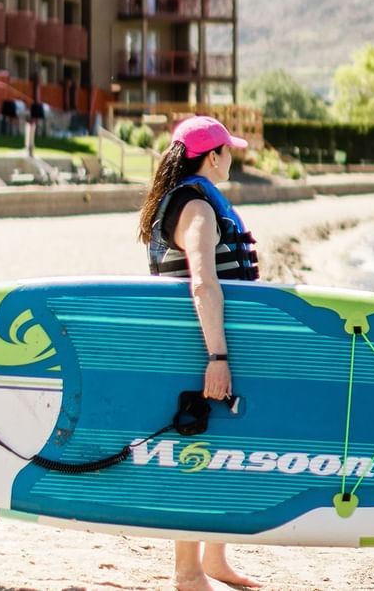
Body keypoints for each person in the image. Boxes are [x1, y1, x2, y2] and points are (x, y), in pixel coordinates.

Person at [136, 116, 261, 591]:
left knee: (220, 445)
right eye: (229, 151)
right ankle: (187, 573)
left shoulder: (188, 200)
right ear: (212, 157)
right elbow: (203, 281)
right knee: (199, 450)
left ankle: (214, 558)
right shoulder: (197, 208)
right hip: (197, 347)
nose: (233, 158)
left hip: (199, 342)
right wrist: (218, 359)